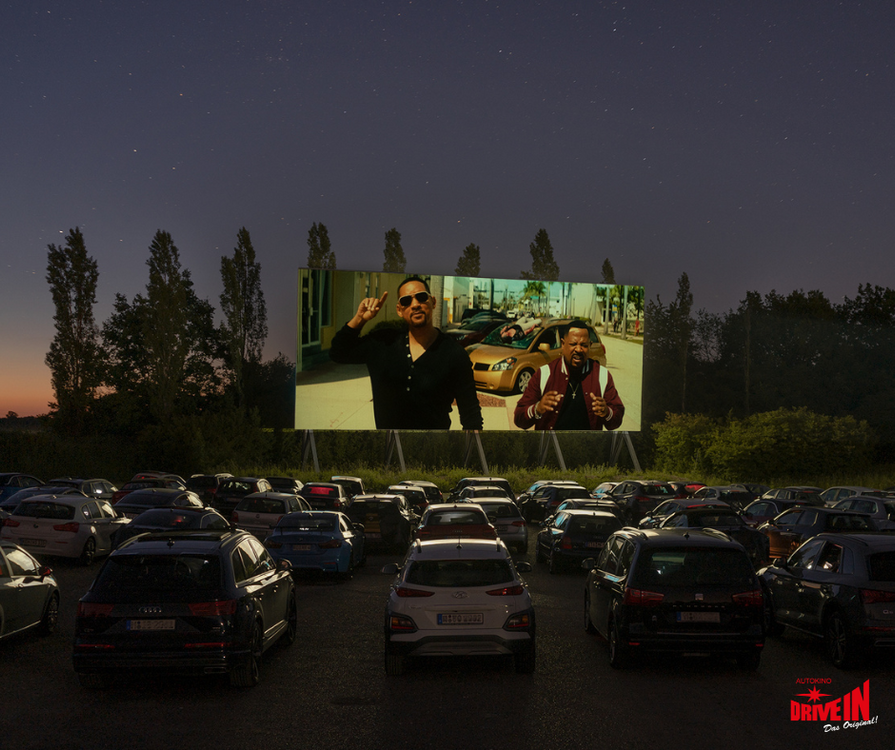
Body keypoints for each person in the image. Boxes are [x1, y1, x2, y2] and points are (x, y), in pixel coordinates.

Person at [329, 276, 483, 430]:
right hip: (389, 449)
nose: (415, 304)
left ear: (433, 302)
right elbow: (338, 352)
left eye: (422, 297)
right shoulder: (383, 342)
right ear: (399, 310)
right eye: (406, 301)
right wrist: (360, 319)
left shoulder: (454, 354)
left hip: (434, 450)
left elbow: (471, 417)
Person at [513, 320, 624, 431]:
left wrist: (606, 412)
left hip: (587, 447)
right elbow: (519, 418)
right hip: (551, 446)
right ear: (563, 344)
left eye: (584, 345)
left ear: (590, 346)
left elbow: (616, 420)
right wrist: (537, 409)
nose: (579, 349)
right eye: (573, 344)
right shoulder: (545, 374)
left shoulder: (602, 375)